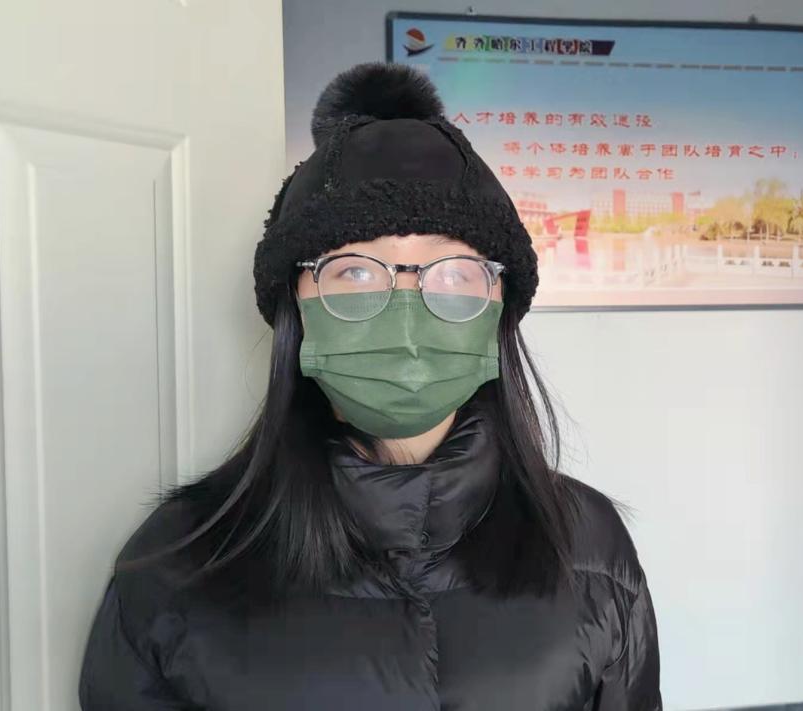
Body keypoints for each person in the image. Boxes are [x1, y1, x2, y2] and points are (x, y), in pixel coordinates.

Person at [78, 61, 662, 710]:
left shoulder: (592, 546)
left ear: (500, 304)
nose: (407, 310)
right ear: (295, 307)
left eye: (453, 270)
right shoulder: (174, 561)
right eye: (355, 271)